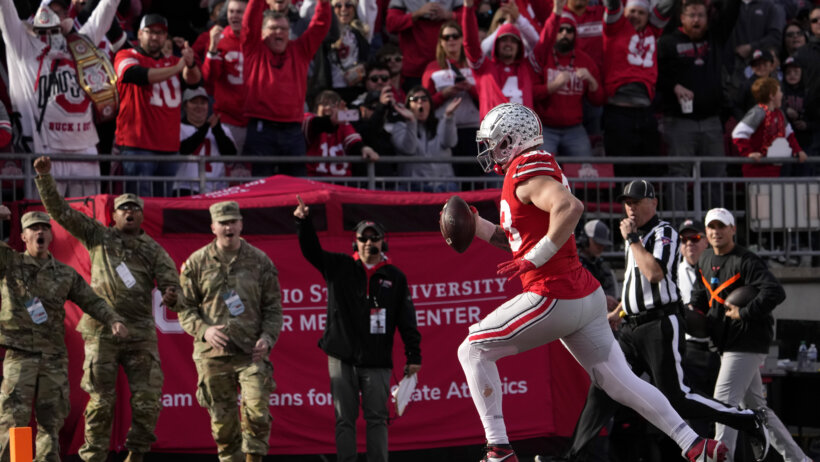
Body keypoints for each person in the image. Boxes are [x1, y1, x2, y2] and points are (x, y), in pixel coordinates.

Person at [460, 102, 731, 462]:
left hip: (554, 291)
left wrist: (535, 258)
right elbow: (515, 238)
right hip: (581, 294)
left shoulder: (527, 170)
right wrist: (475, 227)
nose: (490, 150)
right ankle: (695, 444)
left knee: (473, 349)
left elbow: (570, 208)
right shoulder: (526, 171)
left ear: (512, 140)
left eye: (494, 142)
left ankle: (499, 449)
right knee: (617, 380)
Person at [565, 179, 770, 462]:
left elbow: (654, 273)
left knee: (677, 398)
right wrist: (619, 311)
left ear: (653, 203)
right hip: (630, 327)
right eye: (627, 203)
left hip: (660, 325)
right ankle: (572, 456)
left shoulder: (664, 232)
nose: (630, 208)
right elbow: (636, 282)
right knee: (604, 386)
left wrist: (633, 240)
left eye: (636, 202)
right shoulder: (633, 236)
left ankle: (747, 419)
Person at [33, 156, 182, 462]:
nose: (129, 212)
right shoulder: (98, 236)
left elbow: (174, 288)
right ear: (113, 215)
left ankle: (136, 453)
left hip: (139, 332)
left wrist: (171, 296)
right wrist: (45, 178)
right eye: (123, 208)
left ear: (141, 215)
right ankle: (94, 458)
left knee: (148, 400)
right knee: (101, 401)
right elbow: (60, 212)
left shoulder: (154, 250)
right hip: (101, 329)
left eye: (134, 208)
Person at [293, 197, 421, 462]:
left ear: (382, 242)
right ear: (356, 242)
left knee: (377, 419)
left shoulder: (394, 276)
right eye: (363, 239)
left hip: (377, 360)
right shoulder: (339, 266)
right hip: (341, 357)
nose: (368, 244)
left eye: (374, 239)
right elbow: (310, 251)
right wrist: (303, 222)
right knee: (344, 419)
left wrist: (413, 355)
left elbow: (406, 320)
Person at [0, 208, 128, 462]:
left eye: (44, 228)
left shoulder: (65, 274)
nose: (39, 232)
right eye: (33, 228)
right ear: (23, 236)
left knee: (51, 423)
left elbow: (92, 301)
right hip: (20, 355)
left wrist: (113, 320)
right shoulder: (9, 263)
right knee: (15, 423)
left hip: (53, 358)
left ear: (51, 235)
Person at [690, 207, 813, 462]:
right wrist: (691, 313)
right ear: (706, 231)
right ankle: (799, 460)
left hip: (746, 340)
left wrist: (744, 312)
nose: (716, 232)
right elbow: (699, 297)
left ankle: (721, 459)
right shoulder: (704, 259)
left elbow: (775, 292)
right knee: (757, 408)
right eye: (711, 227)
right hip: (725, 343)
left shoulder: (746, 260)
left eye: (722, 226)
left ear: (733, 229)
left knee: (723, 404)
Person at [178, 201, 284, 462]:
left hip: (251, 354)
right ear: (213, 227)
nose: (228, 227)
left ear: (241, 224)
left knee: (257, 413)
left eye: (233, 221)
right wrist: (204, 331)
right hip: (213, 355)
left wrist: (267, 338)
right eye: (223, 223)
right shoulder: (196, 263)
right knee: (224, 428)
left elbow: (273, 308)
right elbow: (184, 308)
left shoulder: (260, 261)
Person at [0, 0, 121, 197]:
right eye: (52, 10)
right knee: (46, 220)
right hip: (47, 150)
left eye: (61, 11)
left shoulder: (82, 43)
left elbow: (106, 10)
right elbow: (5, 8)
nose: (56, 15)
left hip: (86, 150)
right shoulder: (24, 47)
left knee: (88, 220)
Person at [658, 0, 737, 215]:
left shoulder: (715, 38)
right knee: (679, 175)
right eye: (691, 15)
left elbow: (732, 9)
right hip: (679, 121)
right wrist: (674, 86)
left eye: (701, 15)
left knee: (715, 175)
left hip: (712, 120)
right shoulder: (667, 42)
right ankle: (681, 227)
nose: (696, 20)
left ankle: (718, 226)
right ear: (681, 17)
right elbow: (657, 75)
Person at [114, 14, 202, 197]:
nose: (155, 37)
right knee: (138, 204)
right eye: (150, 32)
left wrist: (190, 62)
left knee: (162, 206)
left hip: (169, 148)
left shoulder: (172, 61)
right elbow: (138, 75)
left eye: (160, 33)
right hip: (137, 146)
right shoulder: (126, 55)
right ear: (139, 33)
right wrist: (178, 67)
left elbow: (194, 82)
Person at [241, 0, 331, 177]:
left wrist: (324, 3)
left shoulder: (300, 50)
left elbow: (320, 25)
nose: (279, 33)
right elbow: (249, 21)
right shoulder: (253, 48)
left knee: (296, 187)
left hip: (292, 130)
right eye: (273, 28)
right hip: (261, 129)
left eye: (283, 29)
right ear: (262, 33)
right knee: (261, 186)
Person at [601, 0, 673, 177]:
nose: (636, 16)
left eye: (641, 13)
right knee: (622, 169)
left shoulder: (653, 29)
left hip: (645, 112)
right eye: (632, 11)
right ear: (625, 12)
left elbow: (667, 5)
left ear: (648, 16)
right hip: (619, 112)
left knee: (649, 168)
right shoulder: (615, 27)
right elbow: (612, 5)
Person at [532, 0, 604, 157]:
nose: (564, 33)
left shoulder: (585, 61)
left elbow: (598, 101)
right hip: (546, 128)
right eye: (560, 29)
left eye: (569, 30)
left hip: (574, 129)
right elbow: (531, 92)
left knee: (585, 169)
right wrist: (552, 86)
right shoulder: (543, 57)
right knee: (542, 169)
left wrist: (591, 81)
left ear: (575, 34)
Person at [421, 21, 483, 179]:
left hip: (474, 129)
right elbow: (423, 103)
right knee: (449, 176)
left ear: (462, 39)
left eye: (455, 36)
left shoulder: (475, 65)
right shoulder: (432, 68)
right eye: (446, 37)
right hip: (444, 129)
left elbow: (488, 98)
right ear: (441, 42)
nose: (451, 40)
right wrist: (445, 94)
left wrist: (470, 88)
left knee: (474, 177)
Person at [462, 0, 544, 118]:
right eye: (504, 40)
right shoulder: (484, 68)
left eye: (513, 40)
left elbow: (540, 45)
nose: (508, 44)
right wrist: (507, 24)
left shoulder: (527, 67)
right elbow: (471, 43)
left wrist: (519, 19)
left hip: (522, 134)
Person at [676, 218, 720, 437]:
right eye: (684, 240)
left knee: (723, 406)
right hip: (690, 349)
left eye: (694, 239)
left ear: (705, 242)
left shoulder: (717, 267)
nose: (689, 244)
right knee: (694, 411)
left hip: (718, 347)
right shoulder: (672, 273)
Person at [731, 77, 807, 177]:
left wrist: (798, 150)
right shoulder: (758, 112)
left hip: (774, 169)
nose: (782, 94)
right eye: (779, 91)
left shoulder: (780, 113)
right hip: (756, 169)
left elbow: (789, 135)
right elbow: (738, 133)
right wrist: (749, 153)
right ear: (771, 95)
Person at [389, 86, 460, 192]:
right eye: (415, 100)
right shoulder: (399, 127)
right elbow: (409, 149)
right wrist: (411, 122)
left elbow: (450, 142)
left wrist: (448, 117)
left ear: (430, 105)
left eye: (424, 99)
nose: (420, 102)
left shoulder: (440, 123)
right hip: (414, 187)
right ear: (408, 105)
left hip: (444, 186)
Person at [202, 0, 250, 153]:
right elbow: (208, 79)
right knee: (229, 170)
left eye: (239, 12)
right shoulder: (220, 40)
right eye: (231, 11)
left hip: (255, 119)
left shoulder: (257, 39)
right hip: (228, 119)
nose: (234, 16)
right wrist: (212, 49)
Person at [173, 87, 237, 196]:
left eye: (203, 103)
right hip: (184, 188)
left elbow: (231, 156)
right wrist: (205, 128)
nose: (199, 106)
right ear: (185, 106)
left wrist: (217, 131)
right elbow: (183, 150)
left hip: (215, 190)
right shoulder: (177, 128)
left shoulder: (222, 129)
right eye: (194, 102)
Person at [302, 90, 379, 179]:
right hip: (315, 181)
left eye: (333, 106)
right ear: (316, 107)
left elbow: (353, 141)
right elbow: (315, 124)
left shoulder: (343, 124)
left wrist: (364, 148)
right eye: (324, 104)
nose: (328, 108)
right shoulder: (308, 119)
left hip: (341, 182)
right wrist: (330, 121)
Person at [386, 0, 462, 90]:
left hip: (447, 66)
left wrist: (449, 15)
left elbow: (470, 19)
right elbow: (391, 24)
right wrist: (417, 14)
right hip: (414, 70)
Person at [577, 219, 618, 309]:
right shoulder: (574, 265)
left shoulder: (602, 265)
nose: (601, 247)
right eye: (597, 242)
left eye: (603, 244)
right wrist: (602, 300)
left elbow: (611, 291)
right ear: (585, 240)